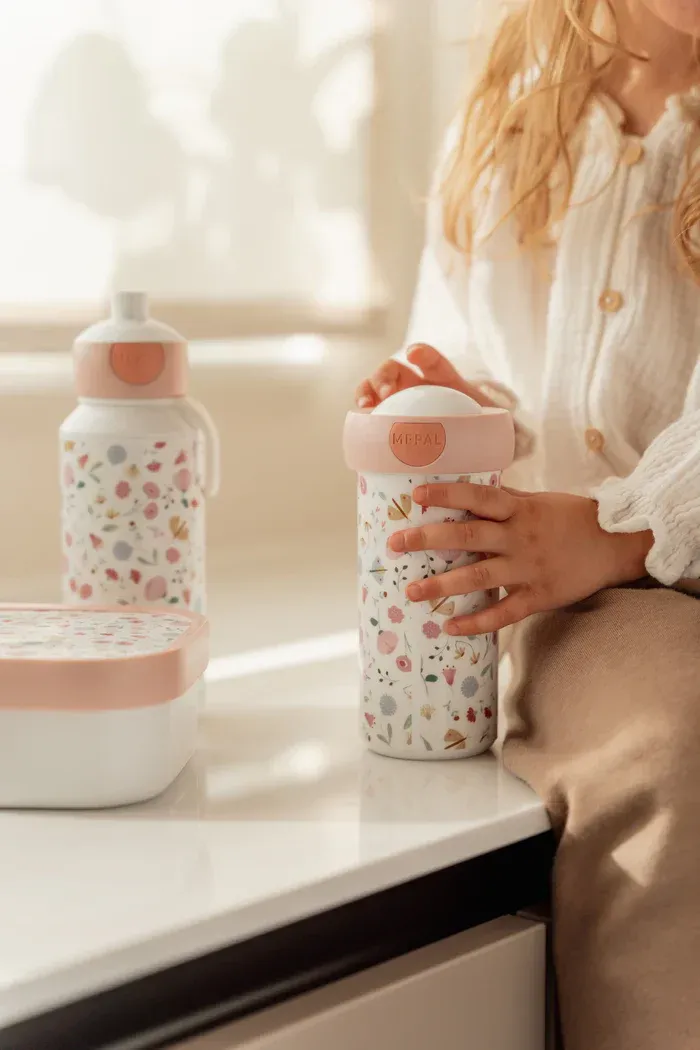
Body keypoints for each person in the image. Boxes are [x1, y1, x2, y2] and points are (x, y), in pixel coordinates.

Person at [356, 3, 700, 1048]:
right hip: (596, 602)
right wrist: (464, 414)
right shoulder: (509, 121)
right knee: (676, 734)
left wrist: (630, 524)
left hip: (617, 558)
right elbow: (476, 342)